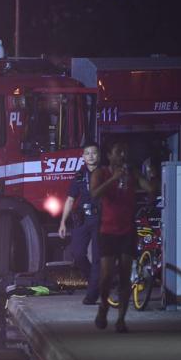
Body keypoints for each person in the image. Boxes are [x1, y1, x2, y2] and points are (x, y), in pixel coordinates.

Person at [90, 142, 155, 333]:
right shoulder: (100, 173)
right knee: (106, 277)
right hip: (107, 231)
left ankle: (121, 320)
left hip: (127, 230)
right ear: (109, 155)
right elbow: (94, 194)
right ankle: (103, 307)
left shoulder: (131, 172)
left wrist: (152, 179)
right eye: (119, 152)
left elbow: (149, 187)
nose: (123, 155)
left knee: (126, 276)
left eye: (124, 151)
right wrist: (113, 179)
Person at [58, 143, 101, 305]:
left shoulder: (105, 173)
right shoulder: (79, 175)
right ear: (83, 157)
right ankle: (94, 282)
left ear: (99, 155)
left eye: (94, 153)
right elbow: (70, 200)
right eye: (87, 153)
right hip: (82, 219)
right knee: (78, 254)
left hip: (100, 219)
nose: (91, 156)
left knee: (97, 257)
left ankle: (92, 294)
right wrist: (63, 222)